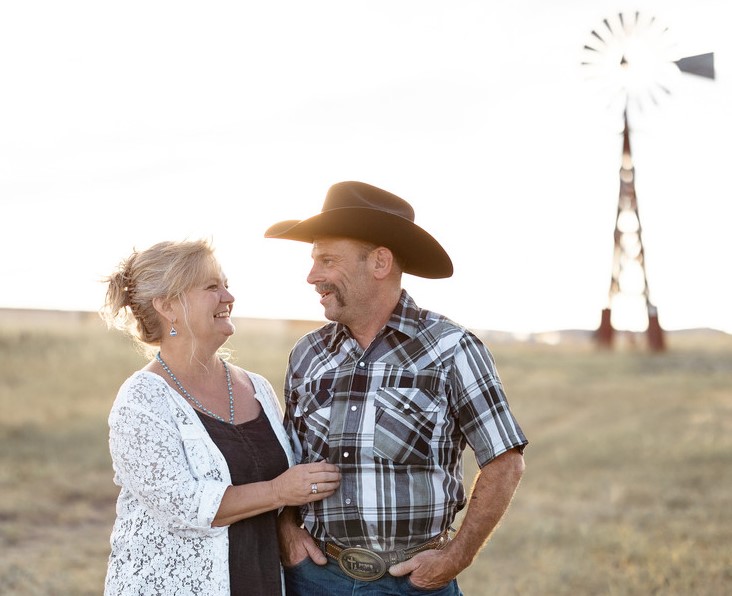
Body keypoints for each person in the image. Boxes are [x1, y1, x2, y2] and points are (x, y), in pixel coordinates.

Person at [264, 181, 528, 595]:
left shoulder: (451, 348)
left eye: (327, 260)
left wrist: (456, 556)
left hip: (412, 584)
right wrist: (285, 530)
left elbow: (505, 460)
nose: (312, 276)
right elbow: (289, 460)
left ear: (380, 262)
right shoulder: (307, 354)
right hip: (314, 577)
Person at [99, 239, 341, 596]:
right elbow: (185, 507)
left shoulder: (256, 387)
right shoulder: (142, 400)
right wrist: (279, 491)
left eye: (226, 285)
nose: (228, 297)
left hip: (260, 582)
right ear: (168, 307)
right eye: (212, 287)